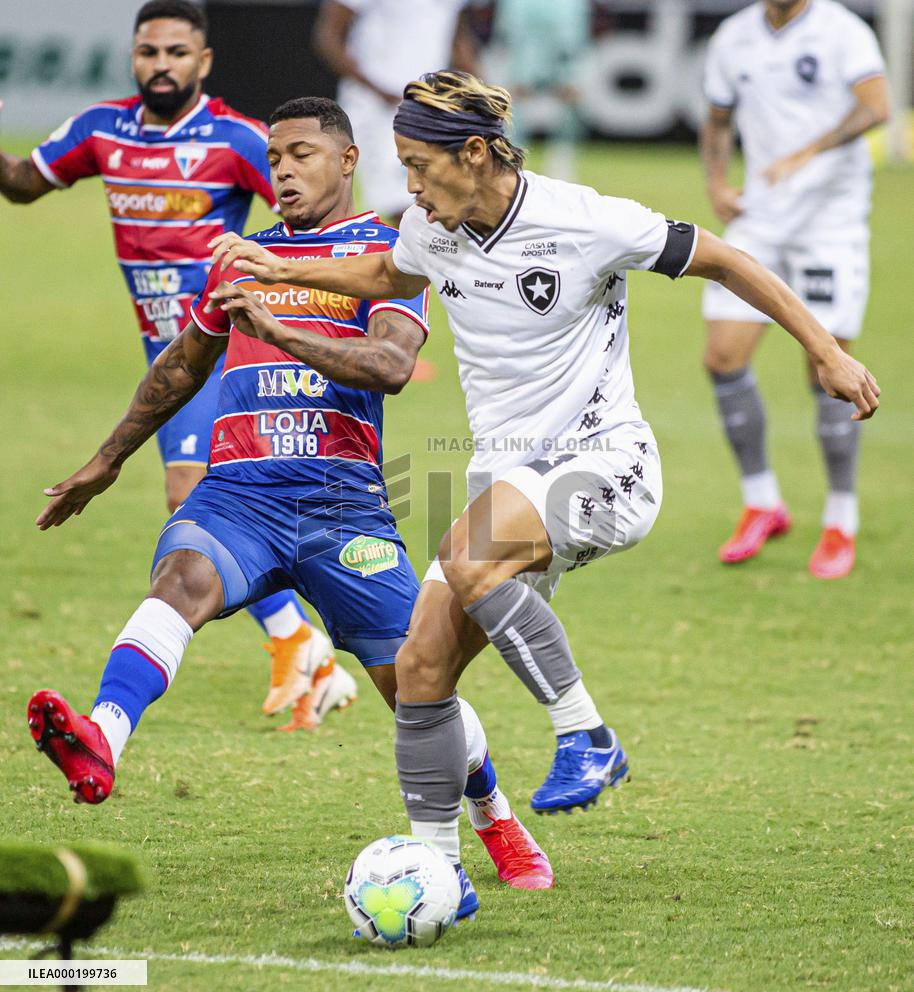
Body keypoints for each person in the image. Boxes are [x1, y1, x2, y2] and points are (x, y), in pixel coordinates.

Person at [207, 71, 880, 912]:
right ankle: (438, 873)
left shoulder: (586, 220)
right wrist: (278, 264)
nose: (409, 185)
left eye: (420, 164)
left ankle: (586, 735)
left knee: (465, 552)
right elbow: (386, 272)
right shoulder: (434, 224)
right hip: (510, 480)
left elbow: (727, 259)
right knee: (419, 666)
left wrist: (823, 350)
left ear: (478, 152)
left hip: (605, 462)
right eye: (402, 167)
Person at [27, 97, 554, 914]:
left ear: (346, 162)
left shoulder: (388, 253)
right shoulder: (239, 259)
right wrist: (105, 461)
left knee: (416, 684)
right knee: (180, 581)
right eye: (273, 157)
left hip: (344, 504)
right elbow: (181, 366)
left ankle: (494, 815)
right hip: (240, 490)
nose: (282, 171)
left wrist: (276, 329)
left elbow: (387, 364)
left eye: (302, 154)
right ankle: (101, 738)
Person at [0, 0, 340, 726]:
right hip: (169, 353)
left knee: (192, 497)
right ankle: (302, 643)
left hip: (227, 346)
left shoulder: (234, 138)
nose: (162, 66)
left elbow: (319, 213)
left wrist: (282, 281)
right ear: (133, 57)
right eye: (149, 52)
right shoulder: (100, 131)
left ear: (203, 62)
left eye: (177, 54)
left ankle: (301, 643)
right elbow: (25, 182)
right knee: (212, 502)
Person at [700, 0, 889, 578]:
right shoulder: (734, 36)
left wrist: (808, 152)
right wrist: (716, 183)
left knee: (826, 368)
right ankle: (762, 502)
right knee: (723, 356)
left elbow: (877, 107)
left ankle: (840, 519)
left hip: (829, 222)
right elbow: (717, 118)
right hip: (762, 215)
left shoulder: (843, 31)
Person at [313, 0, 476, 225]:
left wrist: (480, 92)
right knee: (405, 204)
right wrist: (379, 91)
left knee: (447, 195)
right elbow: (329, 36)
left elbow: (457, 40)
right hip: (376, 110)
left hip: (428, 107)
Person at [492, 0, 590, 181]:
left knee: (571, 111)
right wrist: (515, 70)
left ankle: (561, 163)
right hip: (524, 58)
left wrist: (572, 74)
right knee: (511, 111)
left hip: (561, 58)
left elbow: (576, 36)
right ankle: (512, 163)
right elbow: (508, 33)